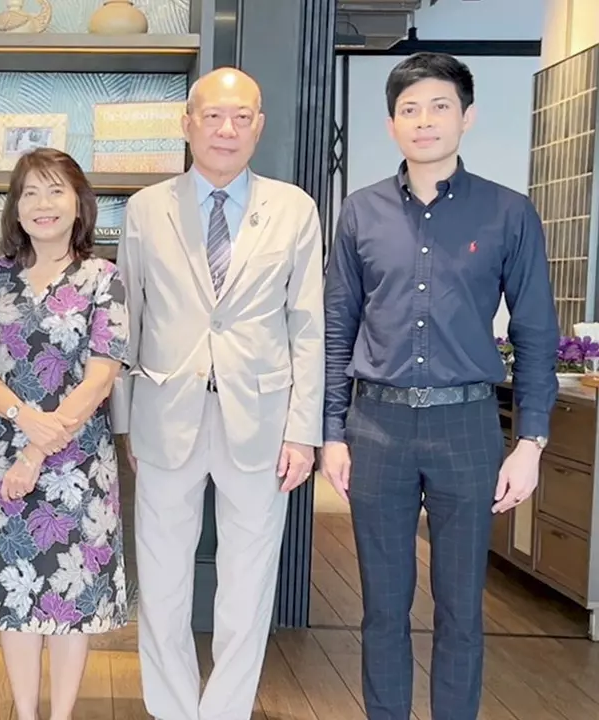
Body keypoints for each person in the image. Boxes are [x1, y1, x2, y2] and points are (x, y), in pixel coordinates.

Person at [323, 52, 558, 720]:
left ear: (466, 116)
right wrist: (332, 432)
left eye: (439, 106)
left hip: (468, 426)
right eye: (409, 109)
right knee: (382, 608)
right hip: (378, 427)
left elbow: (536, 331)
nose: (424, 121)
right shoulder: (360, 212)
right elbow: (338, 327)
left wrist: (531, 442)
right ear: (392, 125)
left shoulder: (508, 213)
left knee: (461, 609)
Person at [111, 66, 325, 719]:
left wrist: (303, 431)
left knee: (248, 584)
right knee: (163, 580)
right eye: (212, 115)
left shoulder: (294, 208)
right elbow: (127, 318)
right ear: (187, 124)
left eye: (241, 117)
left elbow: (307, 324)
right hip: (164, 414)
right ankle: (172, 708)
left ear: (259, 126)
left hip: (262, 420)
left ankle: (226, 710)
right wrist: (125, 421)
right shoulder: (147, 208)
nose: (226, 129)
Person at [0, 147, 129, 720]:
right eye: (30, 192)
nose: (42, 204)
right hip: (1, 452)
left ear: (79, 204)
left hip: (77, 461)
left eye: (55, 190)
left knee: (69, 600)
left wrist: (36, 448)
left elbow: (101, 376)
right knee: (14, 593)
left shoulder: (103, 278)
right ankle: (26, 713)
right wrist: (21, 418)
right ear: (16, 206)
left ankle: (61, 715)